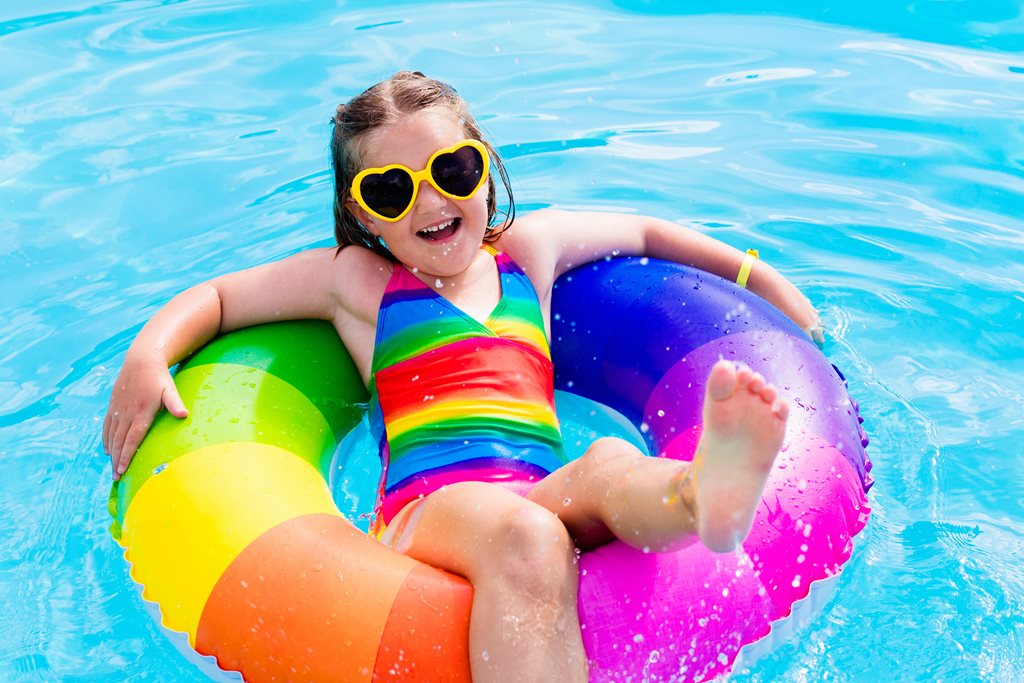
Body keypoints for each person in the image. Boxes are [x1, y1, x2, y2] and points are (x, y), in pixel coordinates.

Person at [103, 71, 822, 682]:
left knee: (607, 463)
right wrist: (149, 351)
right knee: (526, 535)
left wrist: (755, 275)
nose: (431, 202)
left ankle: (703, 497)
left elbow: (643, 232)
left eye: (452, 172)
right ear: (363, 212)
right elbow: (224, 298)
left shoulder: (528, 253)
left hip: (541, 489)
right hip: (429, 513)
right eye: (392, 190)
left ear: (484, 165)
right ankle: (696, 497)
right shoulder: (359, 284)